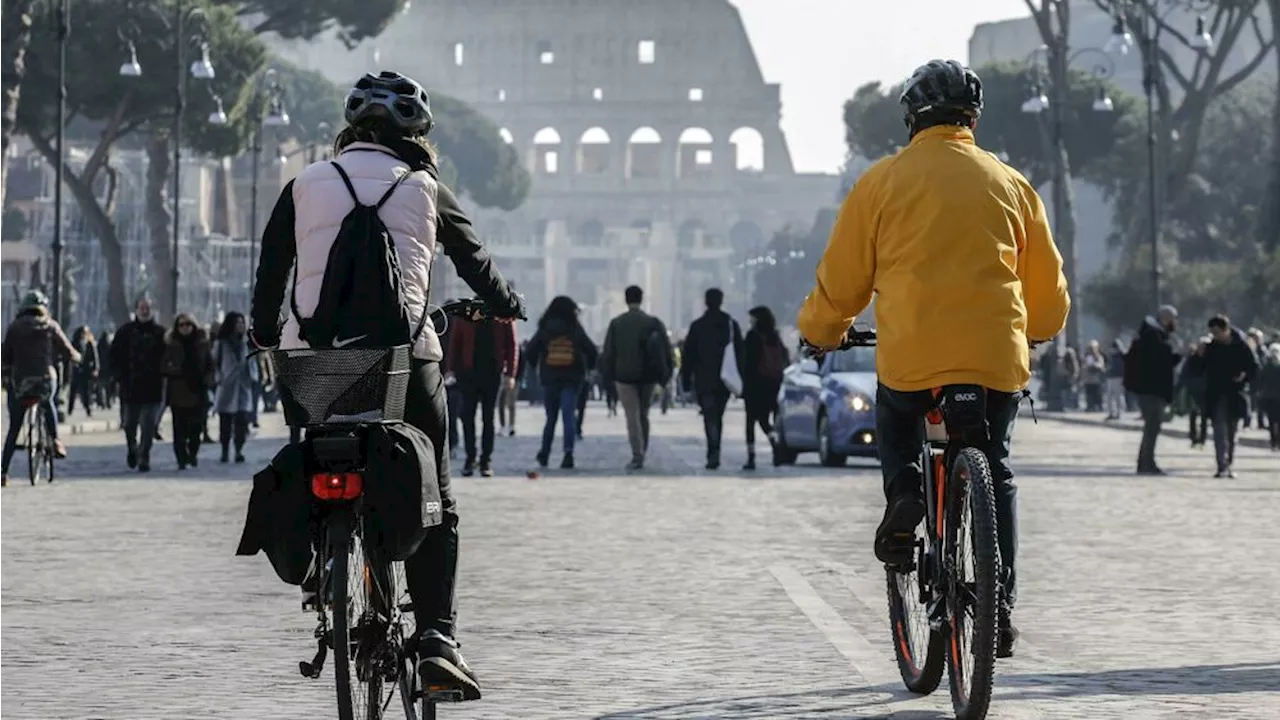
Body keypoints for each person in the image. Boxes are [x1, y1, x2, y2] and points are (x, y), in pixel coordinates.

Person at [249, 70, 523, 700]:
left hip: (311, 364)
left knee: (323, 441)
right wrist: (508, 304)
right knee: (438, 498)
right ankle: (436, 642)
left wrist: (268, 334)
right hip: (404, 365)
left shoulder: (303, 185)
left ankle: (324, 556)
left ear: (348, 131)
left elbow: (270, 272)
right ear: (417, 133)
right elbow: (478, 267)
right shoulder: (427, 188)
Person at [797, 60, 1070, 659]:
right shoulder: (1012, 184)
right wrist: (1041, 330)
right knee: (994, 466)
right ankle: (999, 606)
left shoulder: (881, 183)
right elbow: (1047, 295)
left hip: (914, 356)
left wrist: (821, 332)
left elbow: (843, 284)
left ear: (910, 120)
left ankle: (905, 495)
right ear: (972, 119)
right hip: (996, 359)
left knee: (898, 418)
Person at [0, 291, 80, 486]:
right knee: (48, 401)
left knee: (14, 427)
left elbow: (5, 354)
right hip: (45, 378)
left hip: (21, 382)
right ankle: (55, 441)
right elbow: (67, 350)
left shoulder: (14, 327)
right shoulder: (51, 325)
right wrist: (76, 357)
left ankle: (3, 472)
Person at [600, 285, 672, 470]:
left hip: (624, 376)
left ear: (626, 299)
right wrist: (665, 375)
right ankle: (643, 448)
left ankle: (637, 453)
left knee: (632, 416)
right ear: (642, 299)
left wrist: (607, 379)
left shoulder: (617, 323)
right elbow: (666, 350)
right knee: (643, 414)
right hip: (648, 376)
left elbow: (608, 353)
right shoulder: (653, 322)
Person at [524, 296, 597, 469]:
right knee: (568, 416)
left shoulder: (545, 328)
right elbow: (591, 349)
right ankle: (568, 453)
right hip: (572, 378)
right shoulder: (574, 328)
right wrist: (588, 368)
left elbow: (530, 350)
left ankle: (545, 453)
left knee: (551, 418)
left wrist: (536, 366)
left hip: (550, 378)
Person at [446, 313, 518, 476]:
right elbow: (455, 342)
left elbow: (512, 344)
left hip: (492, 372)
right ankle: (470, 458)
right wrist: (450, 369)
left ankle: (486, 460)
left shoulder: (502, 313)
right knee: (467, 416)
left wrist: (510, 374)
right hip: (468, 372)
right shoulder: (467, 313)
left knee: (488, 417)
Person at [681, 288, 744, 470]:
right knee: (718, 415)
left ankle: (713, 452)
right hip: (725, 378)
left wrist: (685, 379)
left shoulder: (698, 326)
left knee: (709, 416)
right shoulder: (731, 324)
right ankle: (715, 449)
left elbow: (688, 355)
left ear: (705, 302)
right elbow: (740, 353)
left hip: (704, 378)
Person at [111, 296, 168, 472]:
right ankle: (132, 448)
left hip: (152, 387)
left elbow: (168, 357)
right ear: (136, 310)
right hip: (130, 386)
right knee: (129, 424)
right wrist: (117, 376)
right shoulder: (125, 332)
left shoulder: (161, 333)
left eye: (148, 307)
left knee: (148, 425)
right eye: (142, 307)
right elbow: (114, 356)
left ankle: (144, 456)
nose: (145, 310)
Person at [1124, 305, 1182, 475]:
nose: (1174, 322)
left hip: (1151, 389)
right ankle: (1146, 463)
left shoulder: (1153, 335)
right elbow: (1160, 362)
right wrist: (1179, 354)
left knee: (1153, 428)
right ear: (1165, 318)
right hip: (1150, 390)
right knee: (1151, 427)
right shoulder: (1151, 336)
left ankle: (1147, 461)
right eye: (1173, 318)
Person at [1202, 315, 1258, 478]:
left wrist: (1244, 377)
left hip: (1235, 394)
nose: (1215, 336)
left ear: (1226, 330)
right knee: (1219, 431)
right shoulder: (1211, 347)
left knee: (1232, 433)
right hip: (1216, 394)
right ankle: (1222, 466)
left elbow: (1254, 367)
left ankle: (1229, 463)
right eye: (1212, 332)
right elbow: (1203, 368)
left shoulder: (1241, 345)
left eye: (1217, 332)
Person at [161, 313, 213, 469]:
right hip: (178, 391)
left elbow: (210, 365)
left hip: (198, 391)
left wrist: (208, 380)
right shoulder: (171, 345)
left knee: (196, 428)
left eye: (188, 324)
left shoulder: (202, 344)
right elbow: (163, 366)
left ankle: (192, 453)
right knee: (179, 429)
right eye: (181, 325)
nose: (185, 328)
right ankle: (181, 458)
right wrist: (174, 370)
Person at [742, 306, 788, 469]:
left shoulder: (752, 336)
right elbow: (784, 358)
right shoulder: (774, 336)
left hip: (754, 385)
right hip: (772, 385)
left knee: (751, 423)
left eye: (752, 318)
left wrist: (743, 385)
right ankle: (775, 445)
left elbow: (746, 362)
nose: (750, 321)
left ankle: (751, 457)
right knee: (764, 420)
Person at [213, 312, 257, 464]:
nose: (240, 325)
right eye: (237, 322)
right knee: (225, 422)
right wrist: (219, 378)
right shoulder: (222, 343)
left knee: (241, 422)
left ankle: (238, 450)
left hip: (243, 386)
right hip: (227, 386)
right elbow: (215, 363)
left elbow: (252, 361)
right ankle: (225, 450)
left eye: (242, 322)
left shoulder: (247, 342)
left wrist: (253, 377)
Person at [1178, 337, 1209, 448]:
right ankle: (1193, 437)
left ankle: (1203, 438)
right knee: (1193, 414)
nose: (1202, 350)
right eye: (1201, 347)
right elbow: (1184, 374)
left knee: (1204, 416)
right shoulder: (1192, 359)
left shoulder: (1210, 359)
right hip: (1193, 391)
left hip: (1206, 392)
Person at [67, 326, 99, 417]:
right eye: (83, 332)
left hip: (86, 370)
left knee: (85, 392)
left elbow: (95, 357)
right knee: (73, 391)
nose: (84, 334)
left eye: (85, 333)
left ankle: (88, 409)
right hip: (76, 370)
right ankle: (70, 410)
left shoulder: (89, 343)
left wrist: (95, 368)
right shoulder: (75, 343)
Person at [1258, 342, 1280, 451]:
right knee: (1272, 422)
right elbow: (1261, 381)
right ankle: (1274, 442)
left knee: (1274, 421)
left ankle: (1275, 443)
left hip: (1271, 397)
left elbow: (1260, 381)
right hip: (1271, 398)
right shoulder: (1266, 367)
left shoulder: (1266, 367)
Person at [1080, 340, 1106, 412]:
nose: (1091, 350)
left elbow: (1101, 365)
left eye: (1093, 348)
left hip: (1097, 380)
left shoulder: (1099, 356)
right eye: (1090, 348)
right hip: (1089, 380)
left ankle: (1098, 406)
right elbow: (1089, 366)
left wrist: (1097, 366)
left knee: (1098, 394)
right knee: (1089, 394)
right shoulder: (1088, 357)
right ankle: (1090, 406)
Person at [1104, 338, 1126, 420]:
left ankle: (1119, 413)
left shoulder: (1122, 356)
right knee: (1109, 396)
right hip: (1111, 377)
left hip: (1118, 377)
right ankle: (1111, 413)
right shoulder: (1112, 356)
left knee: (1118, 396)